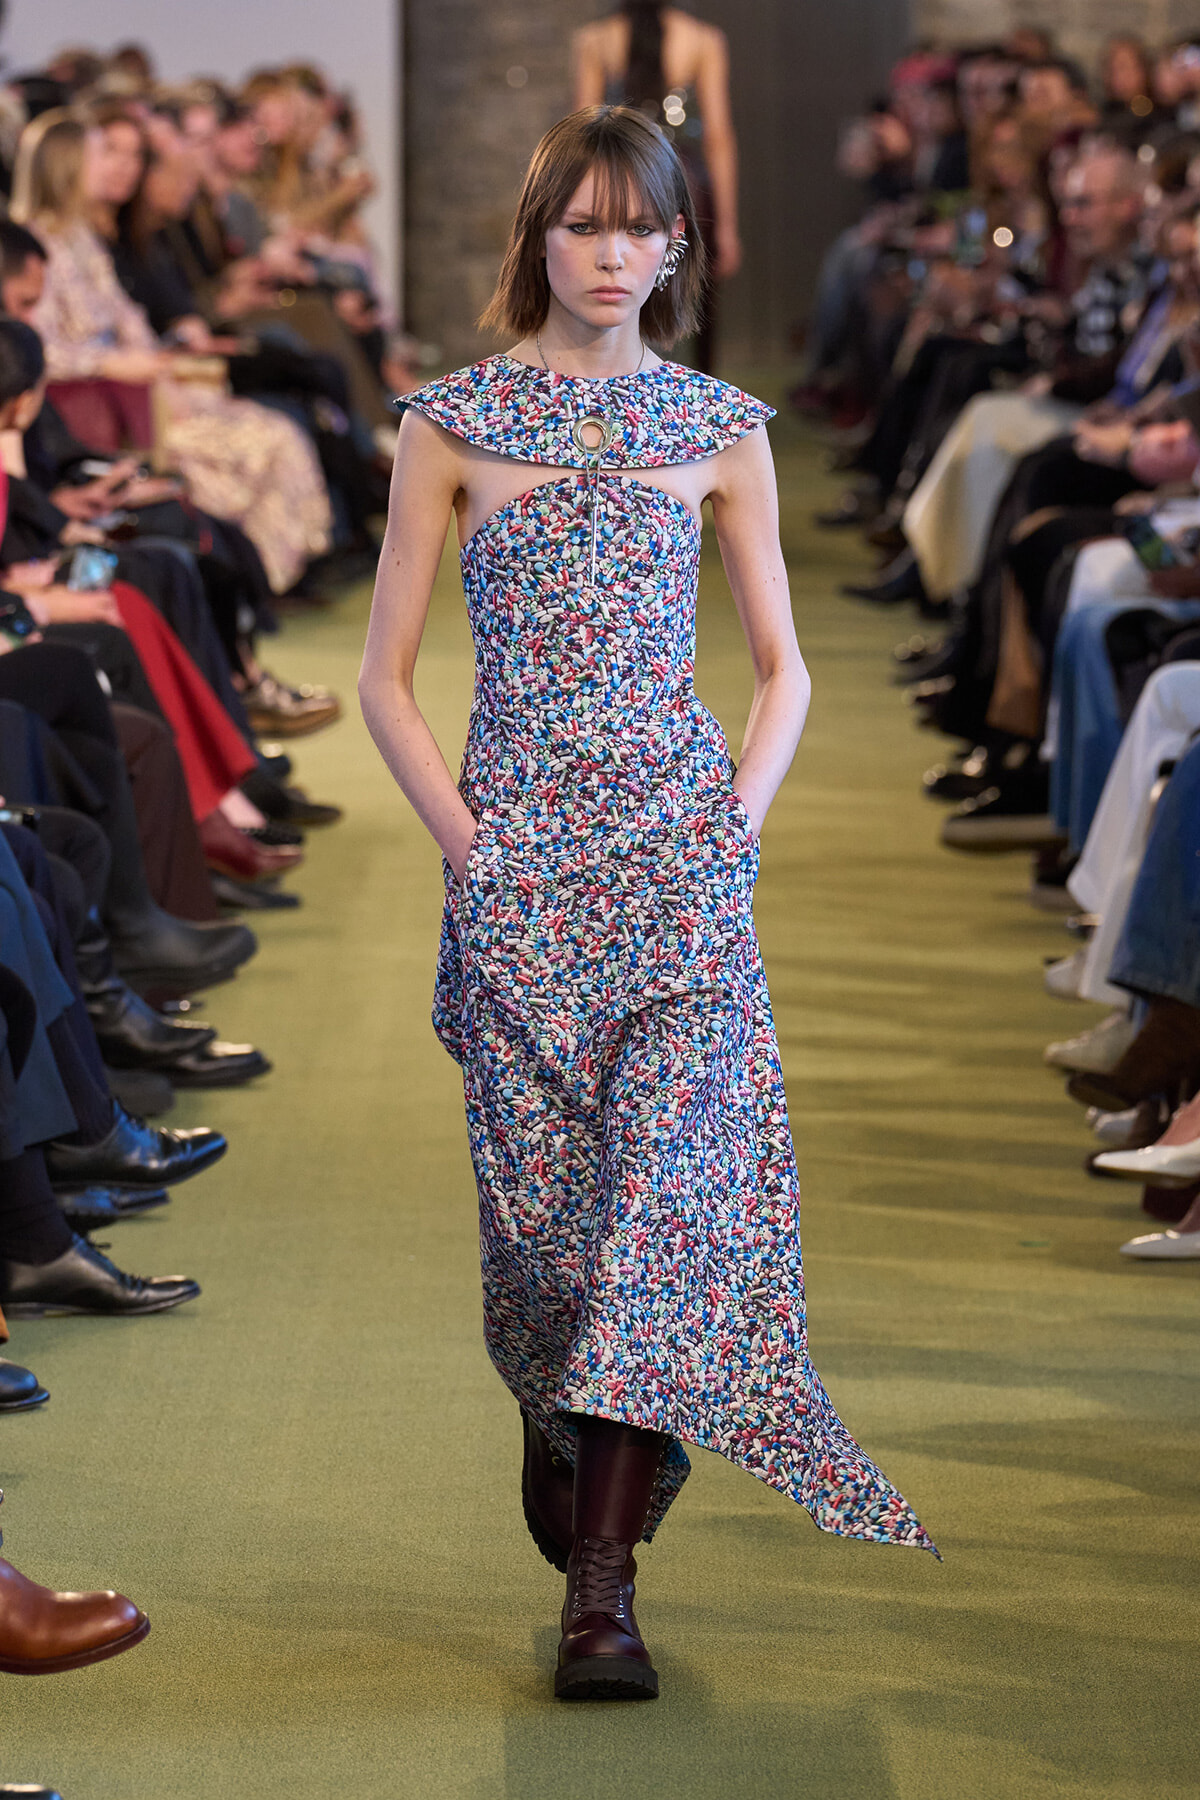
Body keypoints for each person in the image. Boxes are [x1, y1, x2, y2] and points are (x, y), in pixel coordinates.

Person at [359, 105, 935, 1705]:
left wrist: (734, 825)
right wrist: (469, 847)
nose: (616, 255)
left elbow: (786, 668)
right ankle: (567, 1437)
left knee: (668, 1214)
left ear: (681, 247)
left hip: (682, 877)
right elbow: (384, 679)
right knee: (547, 1250)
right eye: (588, 225)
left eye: (645, 229)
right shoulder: (453, 424)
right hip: (521, 874)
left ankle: (602, 1591)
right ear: (537, 235)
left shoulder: (721, 426)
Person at [571, 3, 740, 371]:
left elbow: (583, 137)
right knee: (696, 301)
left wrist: (579, 215)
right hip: (688, 189)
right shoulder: (703, 39)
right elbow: (718, 138)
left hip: (617, 184)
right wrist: (726, 226)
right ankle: (695, 402)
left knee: (616, 289)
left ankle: (617, 386)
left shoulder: (596, 40)